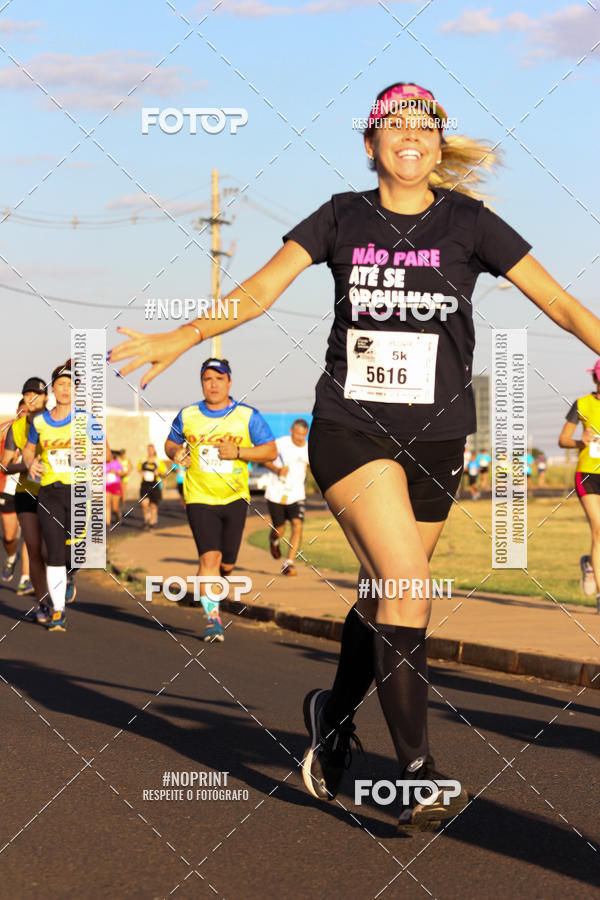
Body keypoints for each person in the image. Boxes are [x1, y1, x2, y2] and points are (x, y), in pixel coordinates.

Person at [110, 81, 600, 831]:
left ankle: (331, 719)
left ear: (439, 145)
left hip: (440, 437)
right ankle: (414, 770)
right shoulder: (341, 215)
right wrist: (181, 336)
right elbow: (258, 291)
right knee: (410, 584)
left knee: (383, 596)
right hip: (352, 428)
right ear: (370, 143)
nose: (412, 136)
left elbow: (561, 304)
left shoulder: (469, 222)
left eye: (426, 127)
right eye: (394, 126)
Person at [165, 358, 277, 642]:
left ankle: (216, 582)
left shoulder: (246, 415)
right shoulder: (188, 414)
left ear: (230, 382)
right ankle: (213, 619)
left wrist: (238, 452)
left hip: (235, 496)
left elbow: (270, 451)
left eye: (219, 379)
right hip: (199, 495)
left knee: (227, 563)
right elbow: (171, 442)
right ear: (201, 382)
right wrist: (175, 453)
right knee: (208, 557)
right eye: (207, 379)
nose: (213, 384)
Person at [22, 359, 106, 631]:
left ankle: (71, 574)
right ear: (53, 389)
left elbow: (104, 452)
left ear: (76, 390)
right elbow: (28, 449)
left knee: (76, 552)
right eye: (60, 385)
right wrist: (30, 463)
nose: (65, 390)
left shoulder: (86, 420)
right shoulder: (40, 421)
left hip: (79, 492)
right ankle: (59, 611)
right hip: (49, 492)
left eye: (70, 385)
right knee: (55, 551)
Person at [1, 388, 49, 611]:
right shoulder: (11, 432)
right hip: (10, 490)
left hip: (38, 491)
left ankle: (26, 578)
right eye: (21, 411)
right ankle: (11, 558)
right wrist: (24, 465)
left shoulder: (44, 430)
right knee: (10, 535)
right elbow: (4, 462)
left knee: (34, 542)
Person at [559, 361, 600, 609]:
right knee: (599, 531)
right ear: (596, 379)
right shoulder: (582, 404)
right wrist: (580, 441)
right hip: (588, 473)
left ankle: (589, 564)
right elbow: (563, 439)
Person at [263, 419, 310, 576]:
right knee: (279, 529)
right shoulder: (280, 443)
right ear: (291, 431)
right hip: (276, 492)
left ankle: (289, 563)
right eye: (297, 434)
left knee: (297, 524)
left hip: (297, 494)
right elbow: (264, 458)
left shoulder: (309, 449)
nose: (300, 437)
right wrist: (277, 469)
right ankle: (274, 541)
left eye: (303, 435)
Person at [138, 445, 166, 530]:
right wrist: (141, 472)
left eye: (151, 450)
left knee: (153, 505)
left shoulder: (158, 461)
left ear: (154, 450)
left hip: (154, 484)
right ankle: (146, 519)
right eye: (148, 449)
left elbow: (164, 473)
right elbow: (139, 469)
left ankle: (152, 522)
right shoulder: (143, 460)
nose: (150, 451)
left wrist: (159, 473)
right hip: (145, 484)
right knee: (144, 503)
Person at [105, 454, 125, 529]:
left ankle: (118, 515)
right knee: (106, 504)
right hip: (106, 485)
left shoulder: (116, 463)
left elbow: (123, 472)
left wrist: (116, 472)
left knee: (115, 507)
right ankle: (107, 523)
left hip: (115, 485)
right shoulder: (102, 463)